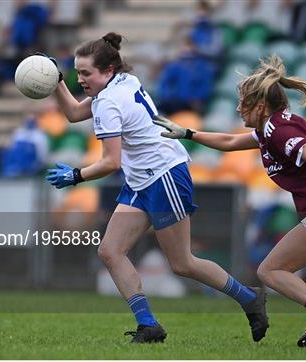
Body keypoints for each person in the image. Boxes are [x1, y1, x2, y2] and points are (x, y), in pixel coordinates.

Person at [43, 32, 268, 343]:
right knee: (110, 251)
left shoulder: (108, 100)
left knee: (183, 263)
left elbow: (110, 162)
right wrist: (56, 82)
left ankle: (249, 297)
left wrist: (76, 176)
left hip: (164, 175)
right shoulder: (122, 81)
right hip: (141, 179)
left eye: (86, 73)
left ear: (107, 71)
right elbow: (73, 113)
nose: (80, 78)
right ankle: (149, 325)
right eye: (77, 72)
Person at [153, 55, 306, 350]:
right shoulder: (272, 127)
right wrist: (188, 133)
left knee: (269, 271)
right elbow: (231, 142)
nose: (237, 108)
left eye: (243, 103)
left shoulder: (278, 130)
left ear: (260, 106)